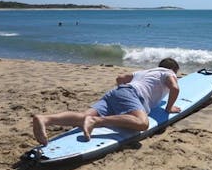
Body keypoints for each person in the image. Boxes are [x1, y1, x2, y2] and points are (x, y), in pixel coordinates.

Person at [32, 58, 181, 146]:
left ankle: (45, 119)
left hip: (116, 92)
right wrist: (169, 108)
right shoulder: (168, 72)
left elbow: (120, 78)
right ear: (174, 69)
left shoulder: (145, 72)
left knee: (83, 117)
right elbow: (175, 88)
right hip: (132, 94)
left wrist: (120, 100)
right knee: (142, 123)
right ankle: (96, 121)